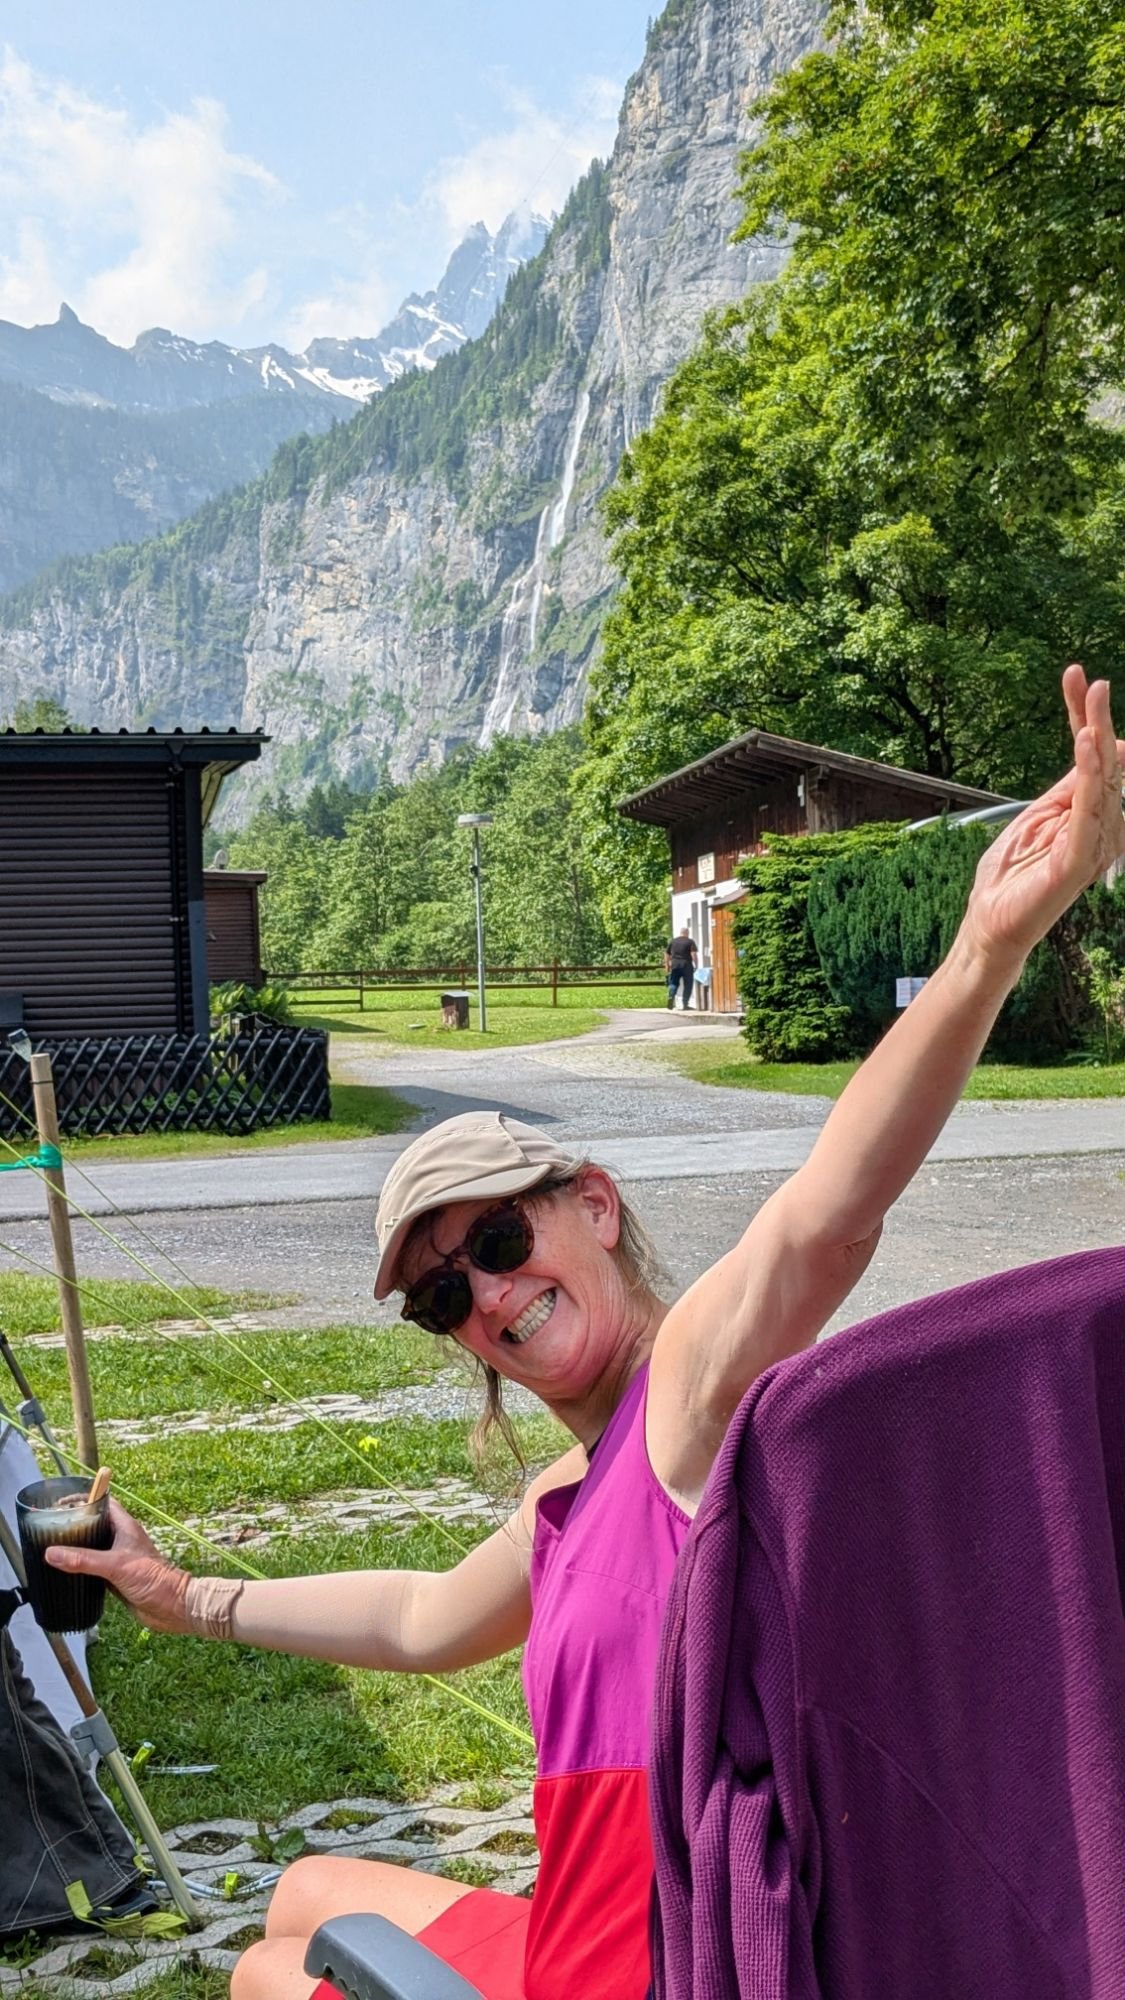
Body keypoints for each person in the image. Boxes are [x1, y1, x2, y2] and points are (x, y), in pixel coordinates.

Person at [51, 669, 1125, 2000]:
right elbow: (422, 1616)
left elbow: (821, 1224)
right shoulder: (578, 1483)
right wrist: (184, 1599)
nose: (489, 1297)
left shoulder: (686, 1407)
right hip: (584, 1929)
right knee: (303, 1890)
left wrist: (983, 951)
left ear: (596, 1207)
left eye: (501, 1241)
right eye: (445, 1294)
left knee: (268, 1978)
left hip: (644, 1975)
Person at [664, 926, 697, 1010]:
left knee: (674, 983)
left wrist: (667, 965)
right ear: (687, 933)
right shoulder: (690, 941)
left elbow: (667, 954)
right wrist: (696, 964)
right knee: (688, 985)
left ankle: (671, 996)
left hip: (675, 965)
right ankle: (685, 1004)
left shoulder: (673, 941)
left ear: (680, 933)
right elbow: (693, 954)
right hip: (686, 965)